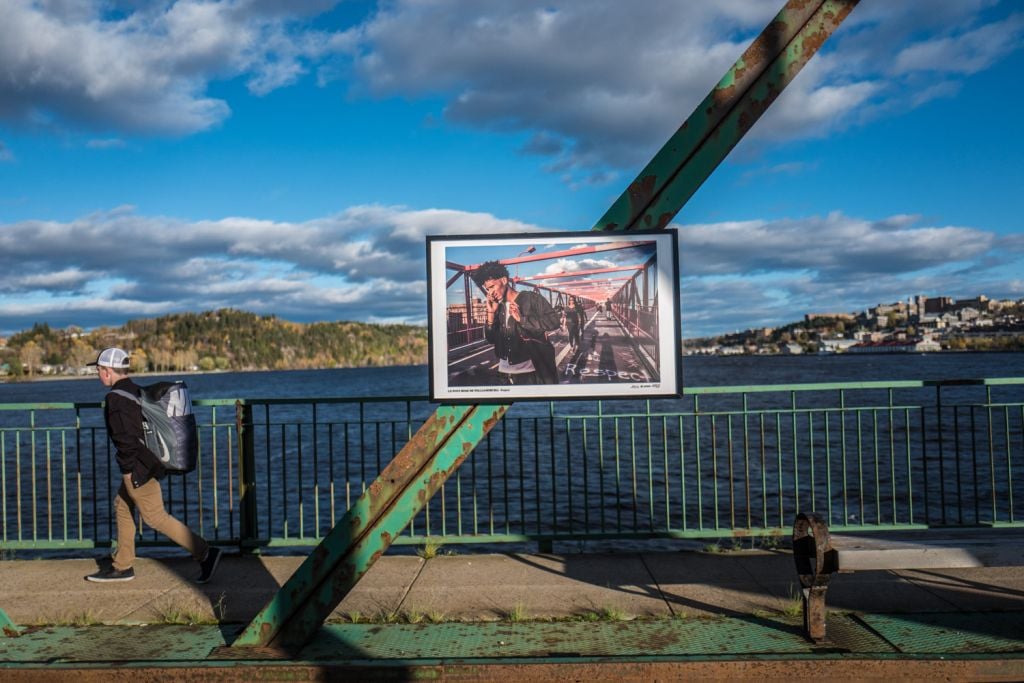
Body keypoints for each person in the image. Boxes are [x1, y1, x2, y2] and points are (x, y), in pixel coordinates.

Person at [84, 347, 221, 583]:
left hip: (138, 467)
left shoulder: (116, 399)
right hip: (150, 461)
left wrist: (128, 472)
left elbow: (126, 441)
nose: (98, 374)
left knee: (155, 517)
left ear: (107, 371)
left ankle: (205, 552)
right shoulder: (136, 391)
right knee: (122, 505)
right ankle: (123, 564)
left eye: (98, 370)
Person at [471, 261, 561, 384]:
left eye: (492, 287)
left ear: (503, 280)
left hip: (529, 373)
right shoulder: (498, 306)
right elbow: (491, 340)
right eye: (487, 290)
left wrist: (522, 319)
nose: (490, 293)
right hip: (503, 374)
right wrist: (491, 313)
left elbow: (554, 321)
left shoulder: (531, 298)